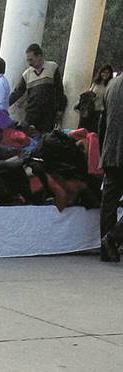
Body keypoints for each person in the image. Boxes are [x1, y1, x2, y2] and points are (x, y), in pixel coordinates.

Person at [9, 44, 67, 133]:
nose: (29, 63)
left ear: (39, 56)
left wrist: (60, 109)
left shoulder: (52, 68)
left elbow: (59, 90)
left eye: (31, 59)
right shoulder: (26, 74)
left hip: (48, 113)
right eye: (28, 60)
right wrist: (4, 104)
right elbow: (17, 92)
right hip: (31, 114)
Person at [99, 73, 123, 263]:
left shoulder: (112, 85)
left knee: (109, 203)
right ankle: (112, 237)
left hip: (110, 152)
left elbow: (102, 122)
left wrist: (103, 150)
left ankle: (107, 251)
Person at [81, 64, 113, 133]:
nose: (105, 74)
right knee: (86, 128)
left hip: (101, 111)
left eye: (107, 73)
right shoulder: (96, 82)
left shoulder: (110, 84)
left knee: (96, 130)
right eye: (103, 72)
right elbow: (90, 93)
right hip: (91, 109)